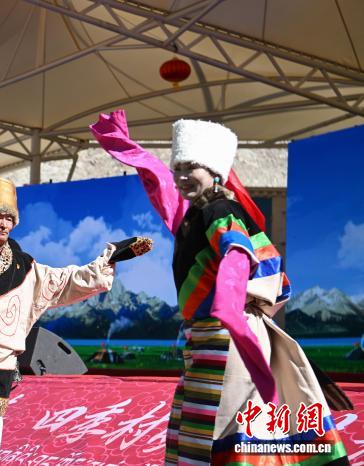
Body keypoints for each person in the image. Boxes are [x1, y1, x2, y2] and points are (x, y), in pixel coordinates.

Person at [91, 110, 350, 465]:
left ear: (214, 171)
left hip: (229, 339)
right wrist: (126, 147)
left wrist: (229, 303)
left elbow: (237, 251)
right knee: (202, 430)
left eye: (190, 167)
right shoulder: (195, 215)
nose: (181, 176)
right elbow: (160, 183)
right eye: (178, 167)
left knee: (224, 430)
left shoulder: (221, 210)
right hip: (210, 336)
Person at [0, 149, 152, 466]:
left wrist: (109, 257)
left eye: (9, 218)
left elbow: (67, 281)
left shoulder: (26, 267)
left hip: (2, 366)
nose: (4, 224)